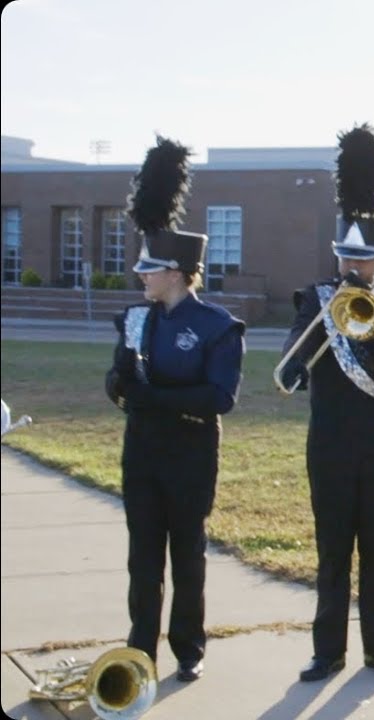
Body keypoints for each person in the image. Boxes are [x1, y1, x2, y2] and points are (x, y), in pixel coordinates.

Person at [279, 124, 374, 682]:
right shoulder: (316, 299)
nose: (351, 267)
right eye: (345, 256)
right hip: (331, 442)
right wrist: (320, 325)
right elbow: (291, 368)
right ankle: (327, 651)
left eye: (362, 260)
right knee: (333, 550)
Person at [105, 136, 246, 682]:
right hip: (141, 450)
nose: (142, 275)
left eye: (151, 268)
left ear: (179, 272)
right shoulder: (136, 318)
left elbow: (220, 397)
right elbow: (121, 380)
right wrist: (117, 384)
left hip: (190, 453)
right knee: (143, 558)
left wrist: (155, 398)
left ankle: (189, 645)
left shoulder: (216, 325)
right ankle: (141, 648)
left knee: (186, 555)